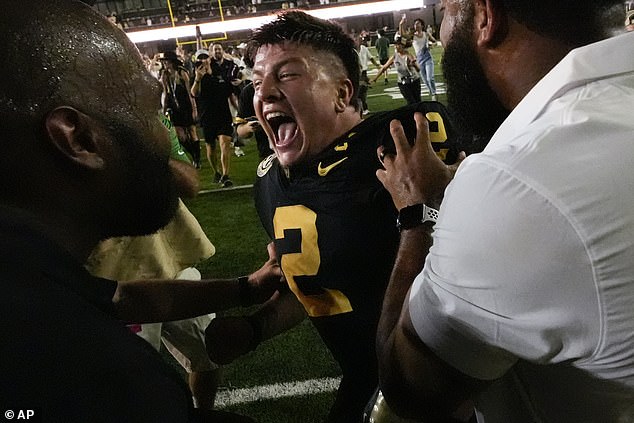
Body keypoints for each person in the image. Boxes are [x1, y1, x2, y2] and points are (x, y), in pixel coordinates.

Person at [0, 1, 283, 421]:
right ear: (78, 139)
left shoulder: (31, 271)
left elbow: (121, 298)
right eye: (149, 108)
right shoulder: (82, 369)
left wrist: (246, 287)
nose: (160, 135)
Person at [375, 1, 634, 422]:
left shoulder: (519, 184)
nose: (442, 32)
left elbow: (410, 389)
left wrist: (416, 212)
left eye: (446, 12)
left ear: (484, 17)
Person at [204, 11, 462, 423]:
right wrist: (256, 328)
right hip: (366, 378)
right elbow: (318, 285)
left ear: (342, 93)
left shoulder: (401, 138)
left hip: (451, 381)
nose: (264, 93)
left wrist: (426, 209)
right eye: (256, 81)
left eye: (286, 75)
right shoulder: (269, 182)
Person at [86, 114, 221, 411]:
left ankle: (203, 413)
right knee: (132, 383)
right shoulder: (57, 126)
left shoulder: (147, 117)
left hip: (172, 264)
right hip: (112, 278)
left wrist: (144, 153)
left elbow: (190, 184)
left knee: (210, 353)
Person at [191, 45, 239, 188]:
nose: (203, 60)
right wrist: (198, 79)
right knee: (211, 147)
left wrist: (237, 108)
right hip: (207, 116)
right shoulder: (197, 74)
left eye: (205, 57)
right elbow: (194, 93)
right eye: (200, 58)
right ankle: (216, 172)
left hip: (223, 114)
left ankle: (225, 175)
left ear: (209, 58)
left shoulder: (219, 70)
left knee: (225, 142)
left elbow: (229, 92)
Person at [159, 50, 202, 168]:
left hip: (186, 105)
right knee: (180, 135)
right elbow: (166, 94)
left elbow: (190, 93)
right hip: (174, 108)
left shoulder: (182, 73)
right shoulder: (165, 75)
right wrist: (164, 110)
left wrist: (194, 109)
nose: (164, 64)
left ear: (172, 62)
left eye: (166, 62)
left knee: (192, 131)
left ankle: (197, 159)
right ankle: (193, 154)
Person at [372, 37, 421, 105]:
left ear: (402, 46)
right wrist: (375, 78)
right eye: (395, 45)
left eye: (397, 44)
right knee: (411, 102)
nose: (395, 46)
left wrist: (413, 65)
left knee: (418, 101)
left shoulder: (409, 55)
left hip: (414, 81)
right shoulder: (394, 57)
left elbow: (418, 69)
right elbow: (384, 68)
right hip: (402, 82)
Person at [403, 16, 438, 101]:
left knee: (430, 78)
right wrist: (401, 24)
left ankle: (433, 94)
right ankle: (431, 92)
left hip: (428, 58)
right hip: (419, 60)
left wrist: (432, 45)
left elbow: (435, 42)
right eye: (415, 24)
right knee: (425, 80)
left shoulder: (426, 34)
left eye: (418, 23)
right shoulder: (412, 36)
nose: (416, 25)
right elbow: (403, 35)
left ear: (422, 25)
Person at [357, 37, 379, 115]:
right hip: (356, 73)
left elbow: (371, 58)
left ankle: (364, 109)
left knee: (362, 92)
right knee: (359, 92)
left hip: (363, 73)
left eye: (358, 40)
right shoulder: (352, 50)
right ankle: (361, 109)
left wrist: (377, 65)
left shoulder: (364, 49)